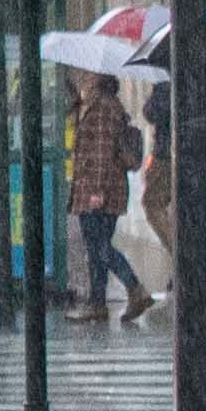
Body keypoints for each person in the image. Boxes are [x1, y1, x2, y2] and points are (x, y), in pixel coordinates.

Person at [66, 70, 150, 322]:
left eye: (86, 76)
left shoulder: (102, 109)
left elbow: (102, 154)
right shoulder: (100, 106)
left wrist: (96, 192)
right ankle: (98, 303)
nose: (82, 79)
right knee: (97, 247)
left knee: (100, 247)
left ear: (96, 80)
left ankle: (135, 287)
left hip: (98, 190)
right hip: (103, 188)